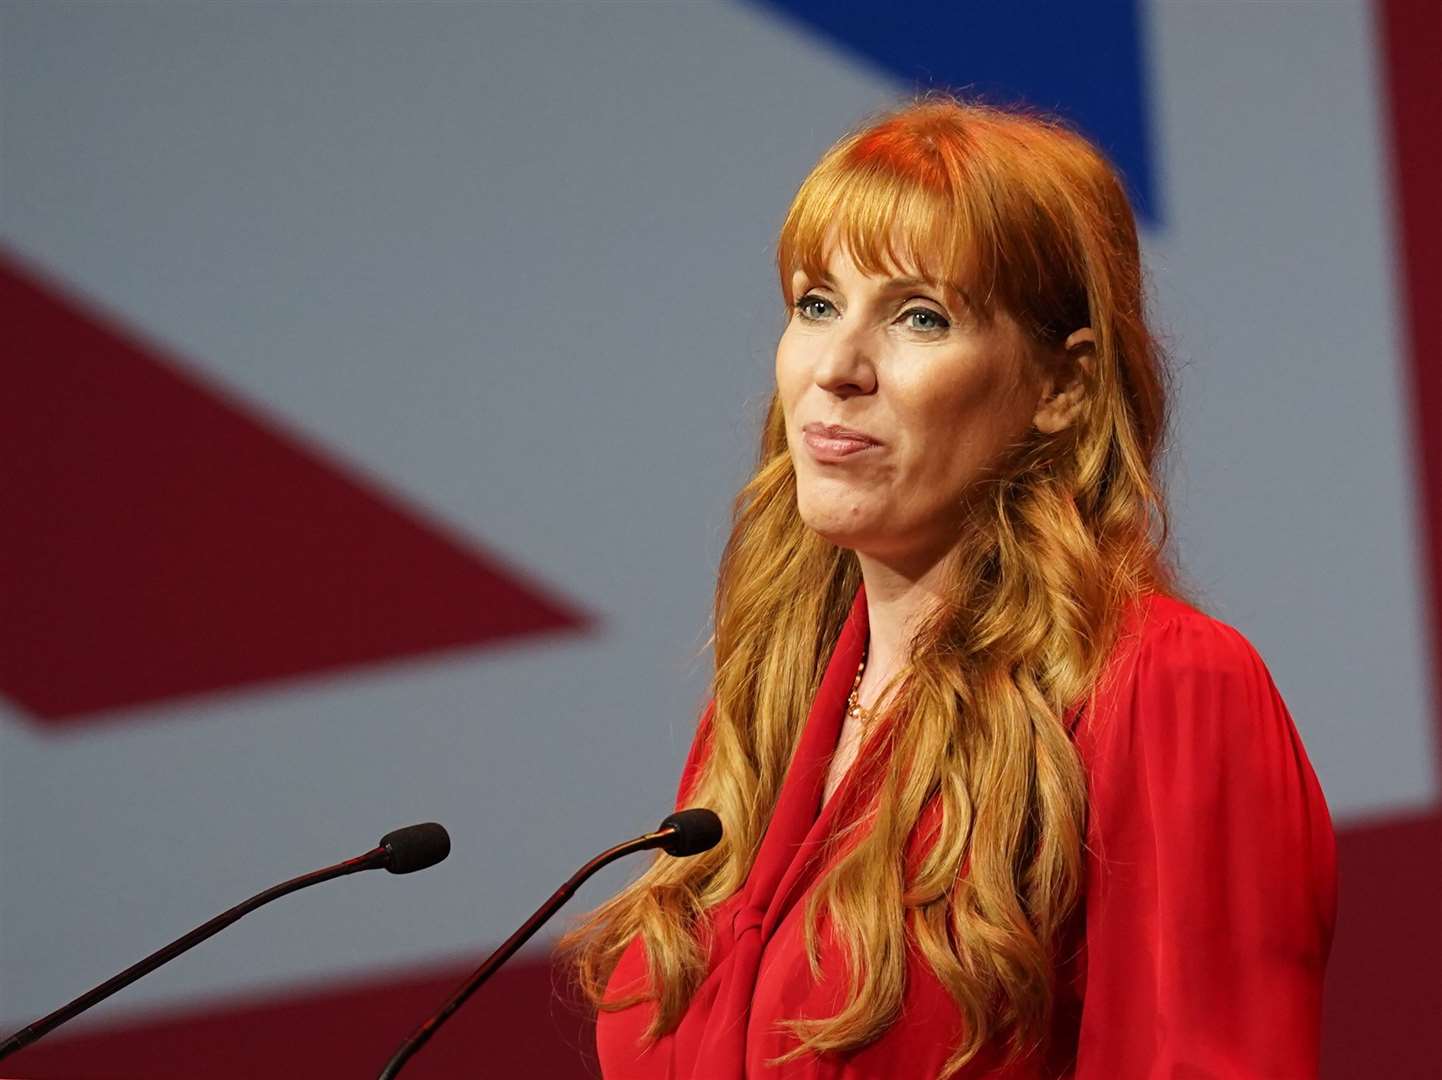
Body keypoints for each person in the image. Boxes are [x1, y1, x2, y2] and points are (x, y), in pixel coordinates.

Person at [562, 97, 1338, 1079]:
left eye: (918, 317)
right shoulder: (767, 707)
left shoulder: (1161, 687)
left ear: (1060, 387)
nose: (836, 369)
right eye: (814, 304)